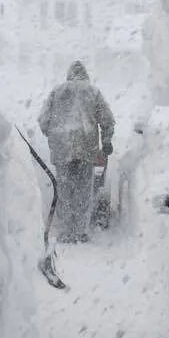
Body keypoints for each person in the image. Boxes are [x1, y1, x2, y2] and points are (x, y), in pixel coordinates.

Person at [38, 60, 115, 243]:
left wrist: (54, 133)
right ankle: (80, 232)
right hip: (86, 148)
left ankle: (66, 232)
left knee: (64, 189)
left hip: (62, 148)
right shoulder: (93, 92)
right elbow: (107, 120)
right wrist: (106, 141)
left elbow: (43, 120)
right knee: (83, 190)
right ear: (85, 75)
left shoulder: (57, 92)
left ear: (69, 75)